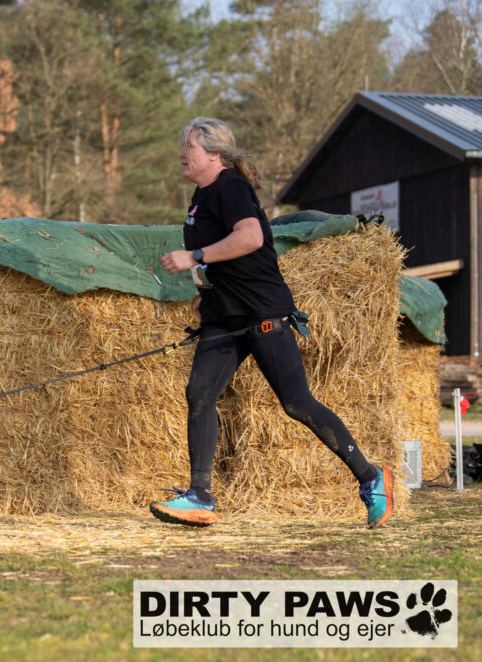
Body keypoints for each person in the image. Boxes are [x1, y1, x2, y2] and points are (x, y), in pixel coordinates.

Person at [152, 117, 393, 529]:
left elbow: (251, 238)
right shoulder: (202, 195)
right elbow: (225, 255)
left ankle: (371, 478)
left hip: (262, 314)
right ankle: (200, 497)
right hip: (225, 316)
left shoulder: (231, 188)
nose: (181, 155)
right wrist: (204, 292)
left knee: (297, 404)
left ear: (214, 154)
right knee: (199, 392)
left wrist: (194, 257)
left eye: (188, 148)